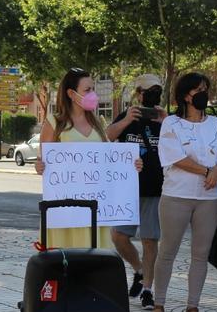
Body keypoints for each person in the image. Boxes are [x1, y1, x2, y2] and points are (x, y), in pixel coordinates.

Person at [149, 72, 217, 312]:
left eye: (205, 88)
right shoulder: (171, 123)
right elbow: (174, 157)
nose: (203, 93)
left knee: (200, 255)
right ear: (184, 95)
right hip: (177, 195)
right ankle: (158, 305)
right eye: (197, 89)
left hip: (208, 199)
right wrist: (206, 172)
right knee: (167, 252)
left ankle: (193, 309)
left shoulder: (216, 123)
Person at [35, 68, 141, 249]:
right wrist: (40, 166)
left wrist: (132, 164)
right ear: (71, 93)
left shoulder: (97, 123)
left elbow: (110, 159)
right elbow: (42, 160)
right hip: (66, 213)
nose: (93, 94)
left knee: (95, 264)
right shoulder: (54, 122)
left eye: (93, 89)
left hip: (96, 211)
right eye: (87, 90)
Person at [106, 74, 166, 311]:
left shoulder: (165, 119)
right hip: (127, 188)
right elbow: (107, 136)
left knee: (150, 239)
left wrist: (166, 122)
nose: (153, 95)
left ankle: (148, 290)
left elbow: (182, 145)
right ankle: (139, 270)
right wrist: (126, 119)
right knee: (119, 236)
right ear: (139, 93)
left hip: (156, 189)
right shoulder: (128, 116)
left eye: (157, 91)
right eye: (149, 91)